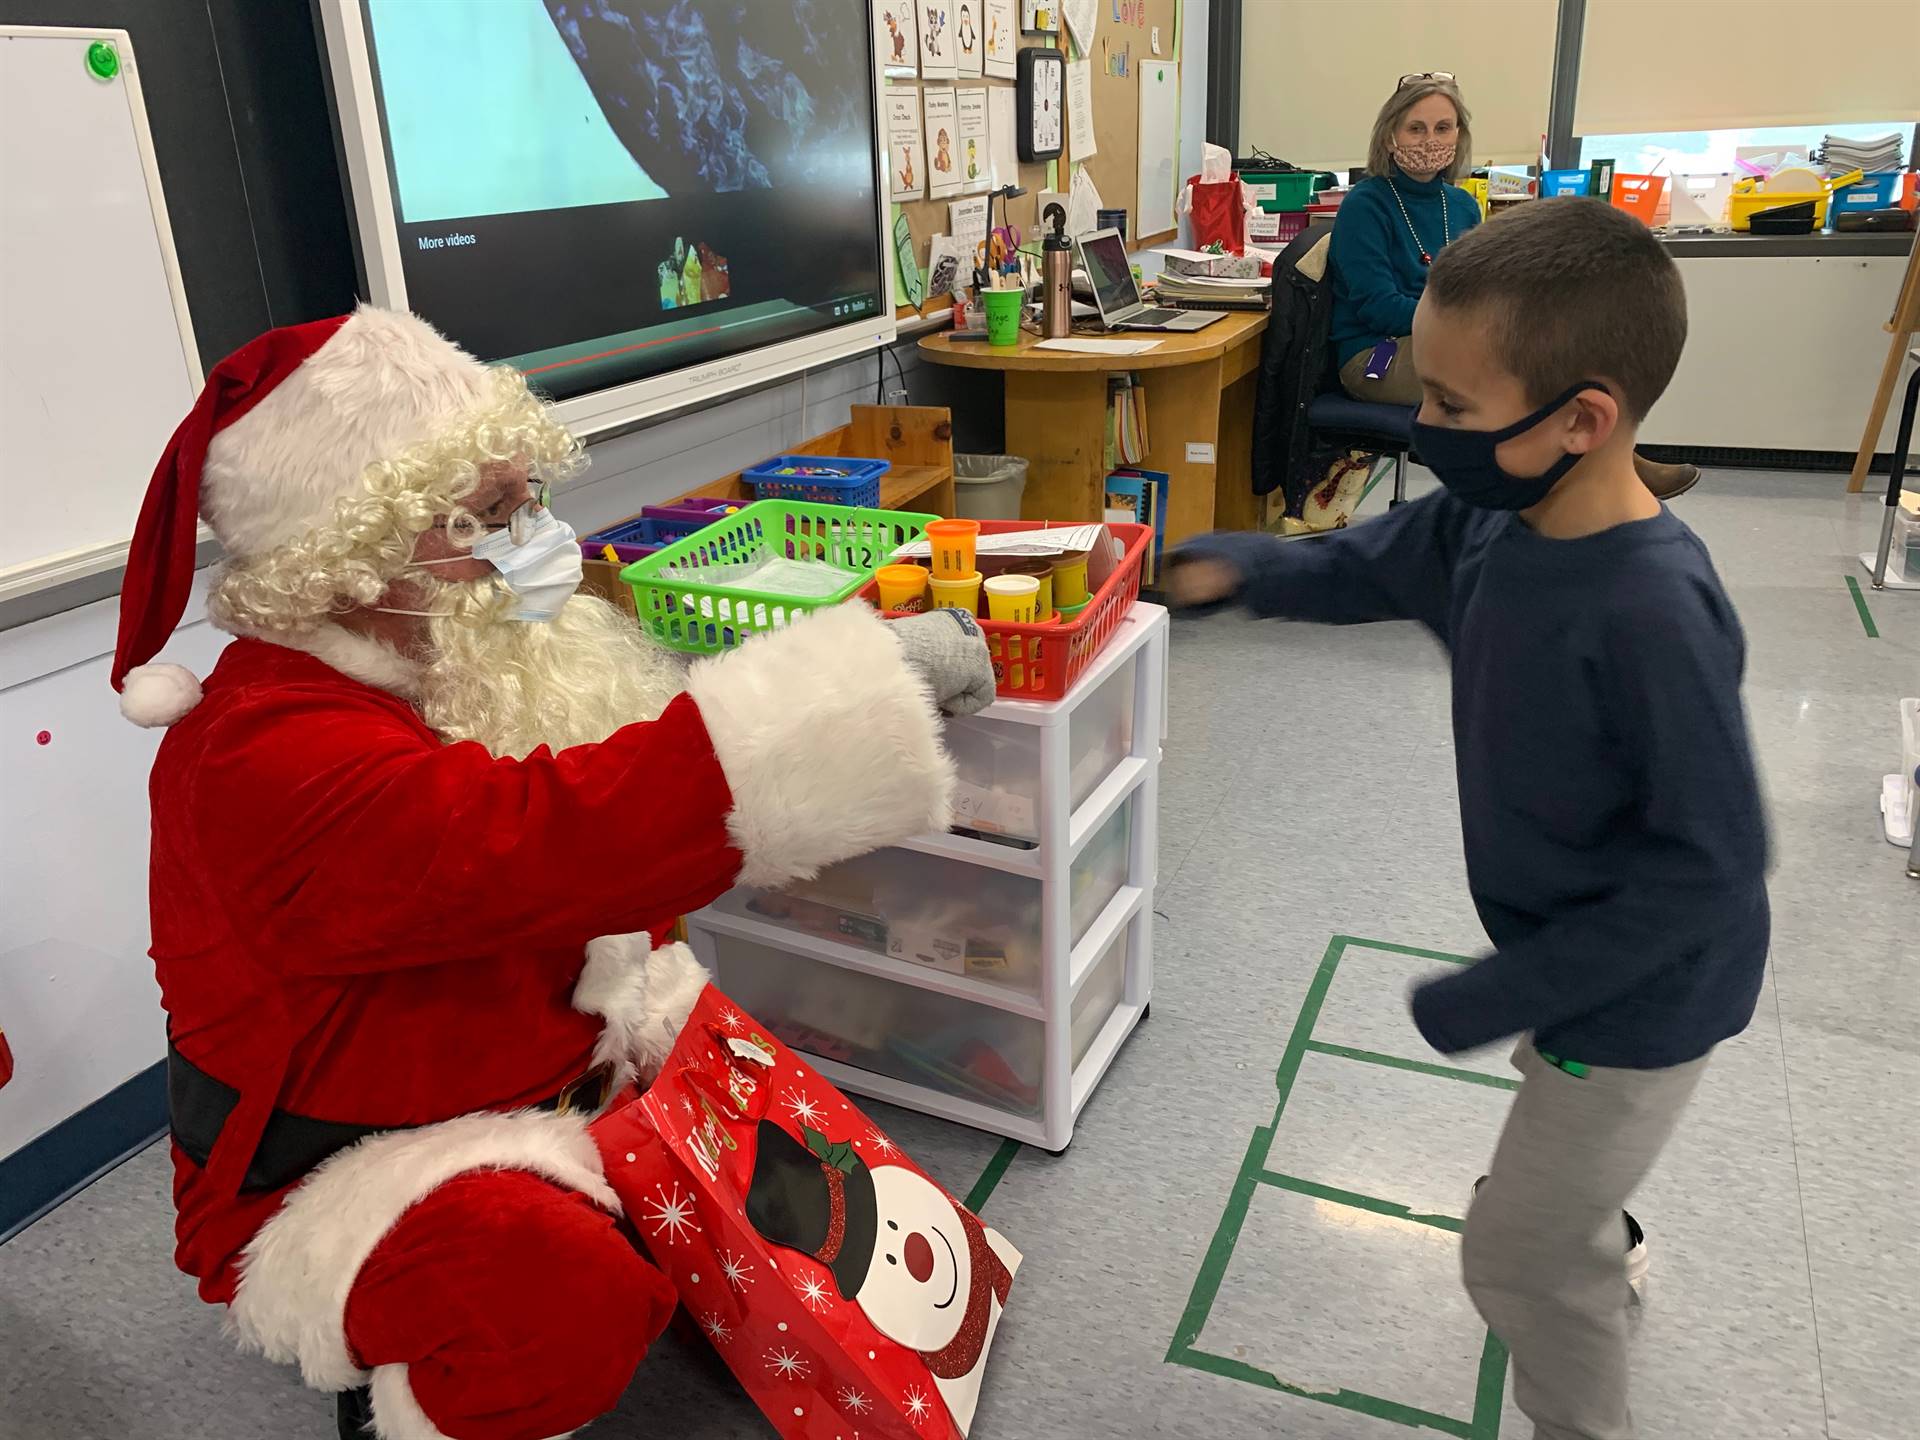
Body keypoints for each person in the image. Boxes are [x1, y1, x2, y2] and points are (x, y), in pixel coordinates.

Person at [111, 305, 995, 1440]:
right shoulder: (259, 749)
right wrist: (859, 689)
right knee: (560, 1299)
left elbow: (604, 781)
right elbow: (540, 835)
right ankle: (409, 1408)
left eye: (527, 499)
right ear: (356, 548)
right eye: (490, 515)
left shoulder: (444, 655)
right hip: (343, 1156)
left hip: (546, 1058)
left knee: (756, 1119)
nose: (536, 539)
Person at [1169, 199, 1769, 1440]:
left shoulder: (1653, 613)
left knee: (1514, 1261)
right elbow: (1365, 563)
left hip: (1640, 999)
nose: (1419, 428)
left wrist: (1496, 992)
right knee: (1562, 1185)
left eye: (1450, 409)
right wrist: (1238, 566)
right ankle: (1588, 1222)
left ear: (1582, 421)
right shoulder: (1494, 514)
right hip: (1565, 961)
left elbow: (1709, 872)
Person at [1328, 74, 1698, 510]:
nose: (1430, 140)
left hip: (1453, 343)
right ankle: (1593, 490)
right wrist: (1466, 329)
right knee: (1530, 383)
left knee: (1560, 357)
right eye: (1416, 128)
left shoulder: (1462, 204)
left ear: (1459, 136)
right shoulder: (1365, 205)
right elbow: (1378, 307)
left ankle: (1602, 485)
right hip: (1377, 356)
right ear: (1390, 135)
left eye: (1443, 128)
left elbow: (1482, 291)